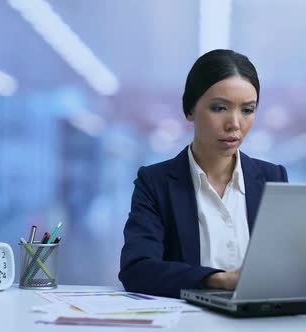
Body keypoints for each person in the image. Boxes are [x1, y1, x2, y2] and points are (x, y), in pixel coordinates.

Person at [119, 49, 288, 298]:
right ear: (190, 109)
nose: (235, 124)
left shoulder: (273, 178)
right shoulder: (155, 182)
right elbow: (137, 269)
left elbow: (290, 262)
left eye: (247, 110)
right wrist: (218, 280)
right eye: (220, 108)